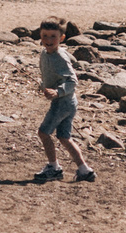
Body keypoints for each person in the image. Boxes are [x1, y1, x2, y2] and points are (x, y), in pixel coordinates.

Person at [31, 18, 94, 184]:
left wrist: (58, 92)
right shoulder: (45, 53)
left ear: (62, 38)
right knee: (64, 137)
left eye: (53, 36)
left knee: (44, 133)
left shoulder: (60, 56)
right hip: (67, 102)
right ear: (40, 35)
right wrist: (44, 86)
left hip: (63, 102)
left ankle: (54, 168)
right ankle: (84, 170)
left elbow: (72, 81)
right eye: (45, 36)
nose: (49, 40)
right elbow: (50, 75)